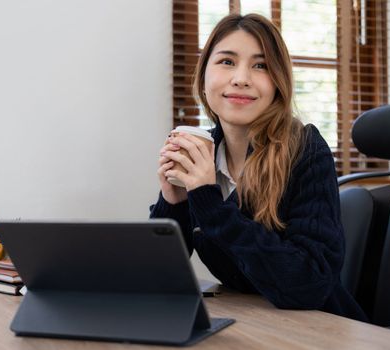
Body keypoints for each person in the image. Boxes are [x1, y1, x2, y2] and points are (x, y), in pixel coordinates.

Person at [150, 13, 366, 321]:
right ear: (204, 75)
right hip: (254, 322)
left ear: (278, 81)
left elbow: (308, 285)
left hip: (320, 329)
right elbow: (155, 279)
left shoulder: (304, 148)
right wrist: (174, 202)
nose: (241, 78)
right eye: (226, 61)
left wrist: (210, 203)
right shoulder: (202, 151)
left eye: (260, 65)